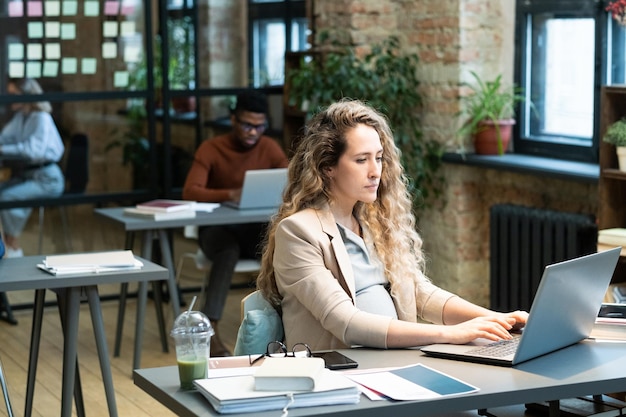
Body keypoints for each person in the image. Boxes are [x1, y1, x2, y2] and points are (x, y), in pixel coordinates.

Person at [256, 99, 528, 351]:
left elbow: (420, 294)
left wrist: (499, 319)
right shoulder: (298, 232)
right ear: (328, 166)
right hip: (341, 374)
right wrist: (450, 334)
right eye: (361, 160)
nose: (376, 171)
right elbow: (346, 323)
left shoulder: (374, 222)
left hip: (393, 360)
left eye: (379, 157)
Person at [182, 90, 288, 356]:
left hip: (254, 231)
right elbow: (190, 191)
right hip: (217, 232)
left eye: (260, 126)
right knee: (227, 250)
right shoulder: (211, 148)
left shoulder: (269, 148)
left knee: (284, 244)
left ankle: (286, 322)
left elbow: (290, 182)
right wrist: (229, 194)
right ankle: (211, 329)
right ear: (232, 120)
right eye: (247, 125)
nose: (253, 132)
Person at [0, 78, 65, 258]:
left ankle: (13, 246)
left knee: (7, 197)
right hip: (29, 175)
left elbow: (32, 151)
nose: (9, 98)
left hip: (48, 179)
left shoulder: (41, 117)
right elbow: (5, 137)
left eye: (13, 95)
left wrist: (3, 149)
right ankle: (9, 245)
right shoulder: (22, 116)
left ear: (27, 96)